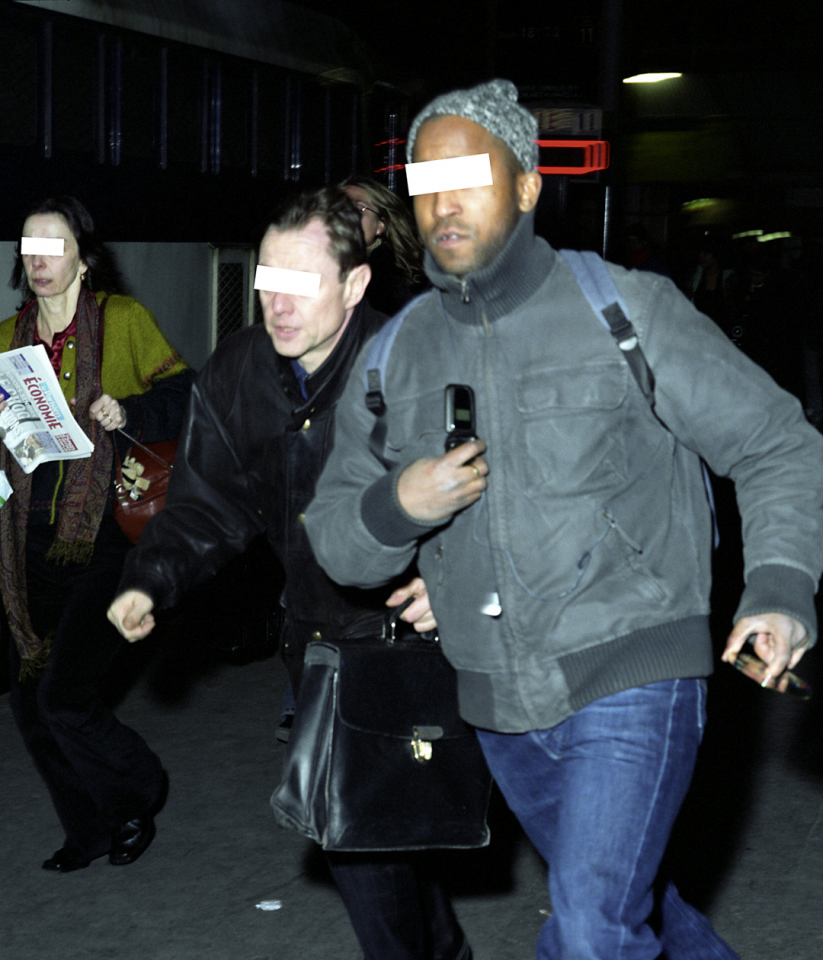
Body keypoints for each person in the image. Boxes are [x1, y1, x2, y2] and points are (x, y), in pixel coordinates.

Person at [304, 79, 823, 959]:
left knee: (585, 931)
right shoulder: (395, 353)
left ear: (528, 185)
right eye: (426, 183)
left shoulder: (623, 309)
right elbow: (333, 537)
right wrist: (400, 508)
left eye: (469, 175)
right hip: (499, 702)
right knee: (635, 910)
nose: (445, 202)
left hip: (635, 669)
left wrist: (777, 586)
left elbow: (776, 442)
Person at [108, 186, 471, 960]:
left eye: (302, 282)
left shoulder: (409, 364)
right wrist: (151, 578)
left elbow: (483, 488)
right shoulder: (239, 370)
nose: (277, 301)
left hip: (416, 639)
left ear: (355, 285)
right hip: (317, 644)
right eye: (269, 278)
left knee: (378, 834)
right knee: (377, 833)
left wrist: (452, 577)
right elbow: (207, 504)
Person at [1, 195, 193, 873]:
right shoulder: (6, 338)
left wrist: (129, 406)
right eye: (27, 246)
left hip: (102, 538)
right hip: (23, 545)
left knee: (65, 696)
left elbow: (187, 393)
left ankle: (139, 791)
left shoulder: (122, 320)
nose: (38, 259)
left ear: (84, 256)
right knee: (31, 709)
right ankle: (87, 829)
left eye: (53, 245)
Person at [342, 175, 426, 315]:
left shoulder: (390, 276)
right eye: (338, 208)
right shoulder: (315, 260)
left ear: (380, 226)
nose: (344, 215)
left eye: (357, 209)